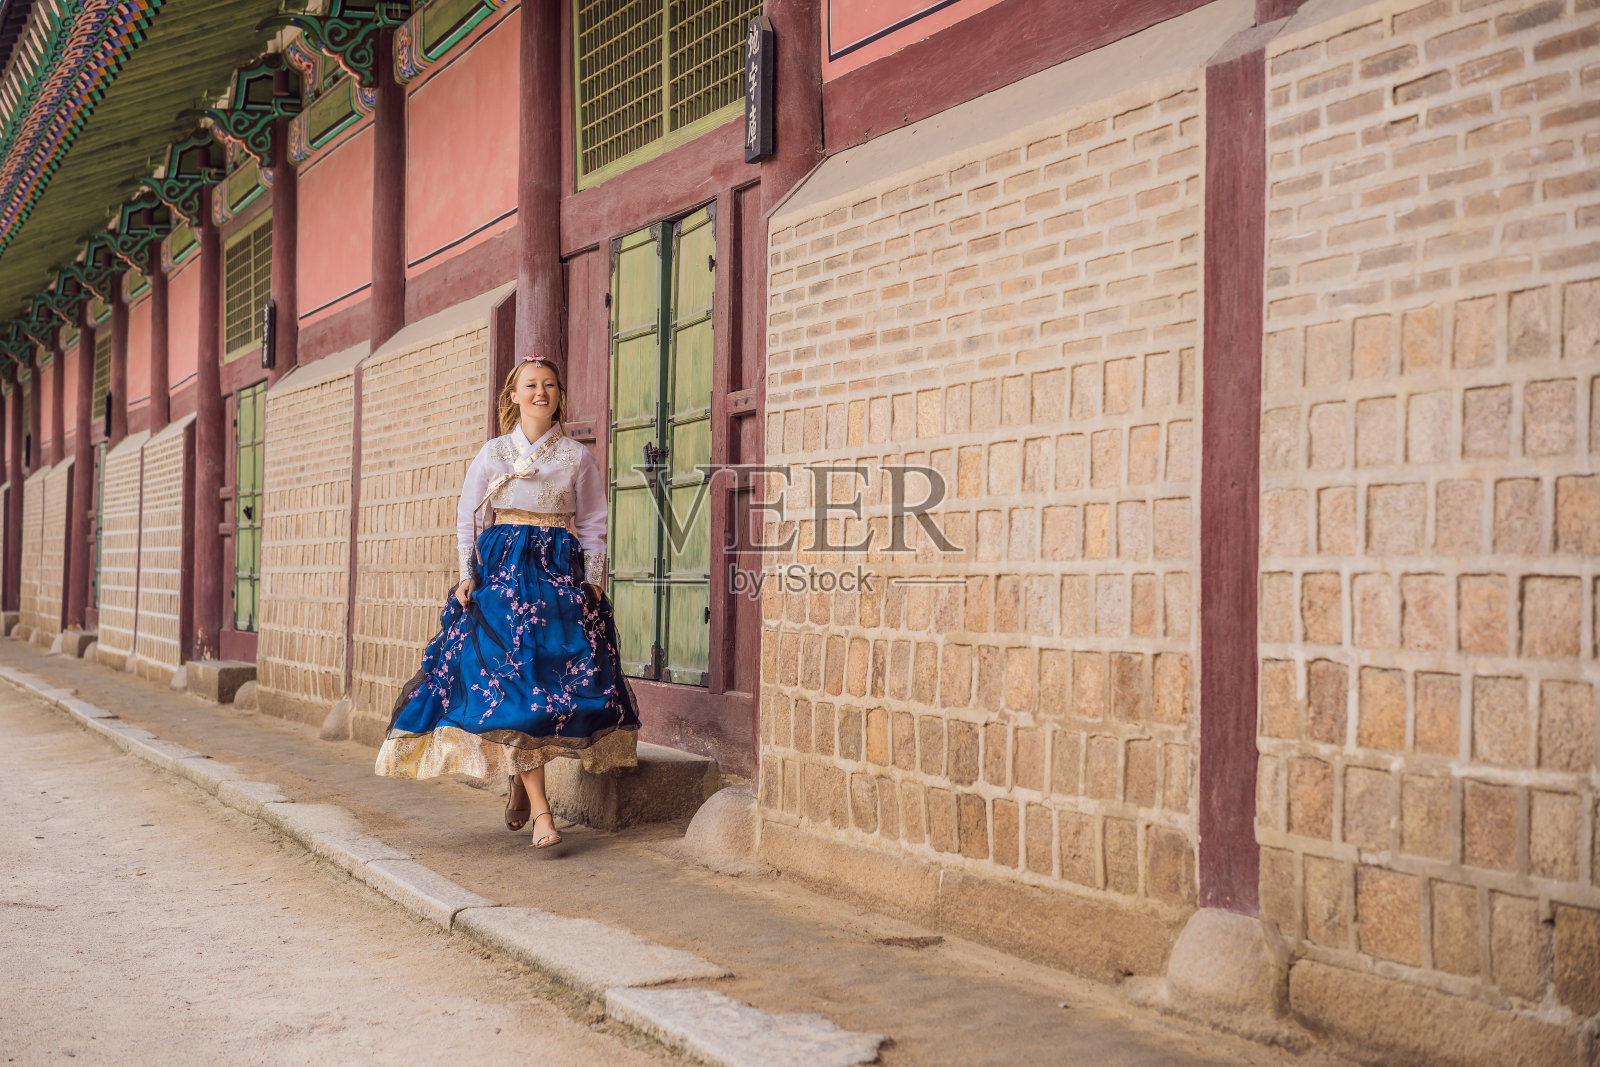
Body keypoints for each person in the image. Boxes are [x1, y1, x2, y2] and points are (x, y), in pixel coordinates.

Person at [374, 356, 639, 849]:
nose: (542, 392)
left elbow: (595, 522)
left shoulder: (577, 458)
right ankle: (542, 811)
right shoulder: (493, 453)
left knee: (549, 690)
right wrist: (466, 576)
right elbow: (469, 517)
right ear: (513, 395)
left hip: (557, 577)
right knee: (519, 690)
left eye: (550, 385)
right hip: (503, 577)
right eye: (531, 385)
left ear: (560, 393)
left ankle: (519, 785)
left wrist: (594, 580)